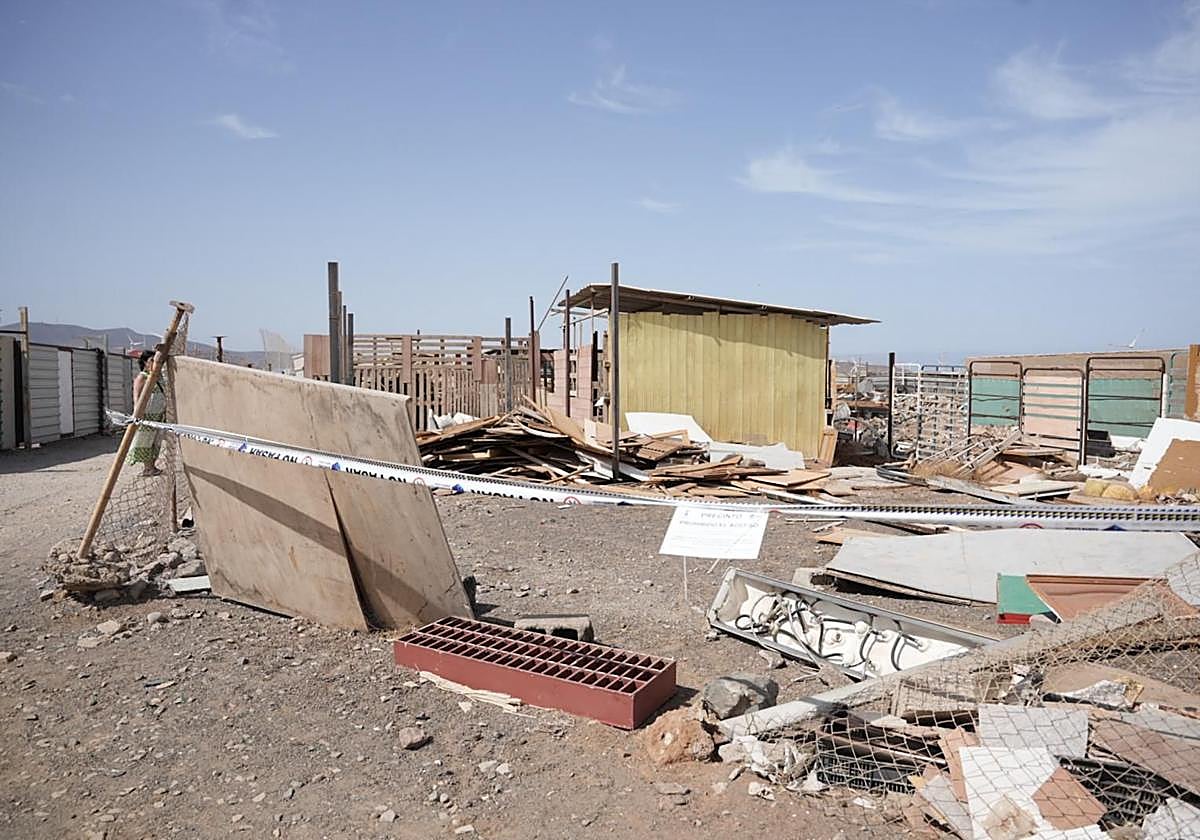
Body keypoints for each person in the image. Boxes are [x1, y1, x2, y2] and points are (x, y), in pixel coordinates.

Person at [128, 350, 167, 476]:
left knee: (156, 442)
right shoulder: (142, 377)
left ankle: (152, 466)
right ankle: (148, 467)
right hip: (146, 416)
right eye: (151, 361)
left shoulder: (158, 377)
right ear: (145, 363)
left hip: (159, 416)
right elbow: (137, 397)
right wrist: (137, 414)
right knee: (145, 442)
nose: (155, 364)